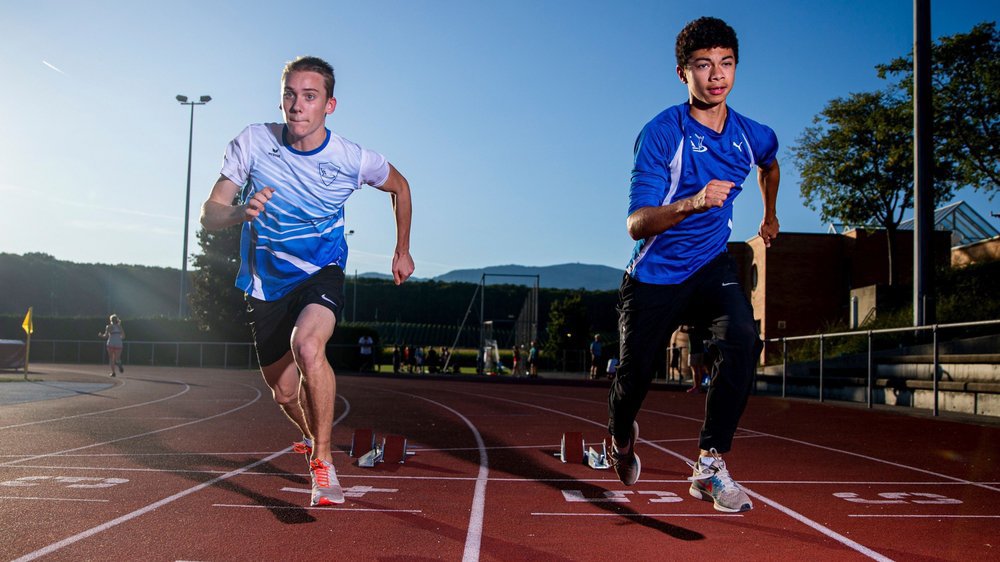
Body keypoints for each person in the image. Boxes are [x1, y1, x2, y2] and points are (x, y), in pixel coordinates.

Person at [199, 56, 414, 507]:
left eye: (310, 97)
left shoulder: (351, 159)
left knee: (309, 347)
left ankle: (322, 460)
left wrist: (401, 249)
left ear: (329, 105)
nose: (298, 106)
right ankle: (310, 434)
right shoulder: (253, 142)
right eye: (290, 95)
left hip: (322, 270)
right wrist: (240, 211)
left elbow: (400, 187)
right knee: (282, 391)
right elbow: (209, 213)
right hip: (264, 284)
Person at [606, 17, 779, 514]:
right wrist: (694, 202)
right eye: (704, 66)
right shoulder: (662, 133)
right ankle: (620, 436)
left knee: (743, 339)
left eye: (725, 63)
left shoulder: (750, 134)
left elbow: (771, 162)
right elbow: (636, 224)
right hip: (655, 274)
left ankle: (709, 465)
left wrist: (770, 213)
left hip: (711, 264)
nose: (716, 75)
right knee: (633, 380)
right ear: (683, 74)